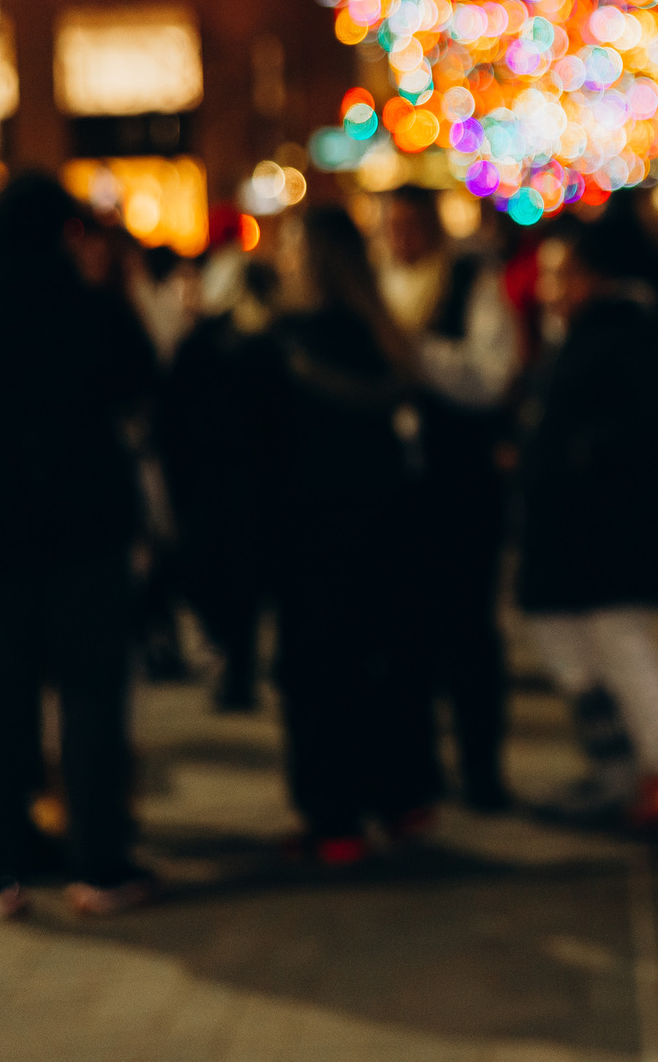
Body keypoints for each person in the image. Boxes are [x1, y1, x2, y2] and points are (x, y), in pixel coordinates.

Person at [0, 175, 160, 918]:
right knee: (91, 703)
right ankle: (99, 864)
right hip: (85, 541)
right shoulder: (90, 314)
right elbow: (143, 387)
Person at [263, 204, 442, 865]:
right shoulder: (386, 337)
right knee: (391, 663)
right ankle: (403, 798)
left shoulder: (285, 344)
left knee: (320, 673)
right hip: (393, 523)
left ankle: (334, 817)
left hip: (313, 529)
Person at [516, 205, 658, 833]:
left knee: (621, 644)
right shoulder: (585, 331)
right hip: (573, 527)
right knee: (575, 649)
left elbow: (651, 424)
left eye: (561, 276)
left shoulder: (625, 331)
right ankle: (618, 768)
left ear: (594, 276)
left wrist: (578, 452)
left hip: (608, 527)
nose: (552, 291)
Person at [379, 187, 523, 811]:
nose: (400, 237)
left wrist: (416, 355)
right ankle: (416, 769)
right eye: (391, 225)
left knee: (468, 631)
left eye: (410, 224)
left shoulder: (469, 280)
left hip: (460, 482)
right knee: (405, 633)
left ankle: (481, 768)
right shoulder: (378, 285)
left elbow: (492, 376)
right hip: (395, 490)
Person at [159, 238, 280, 713]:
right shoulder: (242, 343)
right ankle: (237, 667)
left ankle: (236, 669)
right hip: (229, 478)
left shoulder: (231, 343)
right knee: (231, 581)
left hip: (223, 479)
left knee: (226, 579)